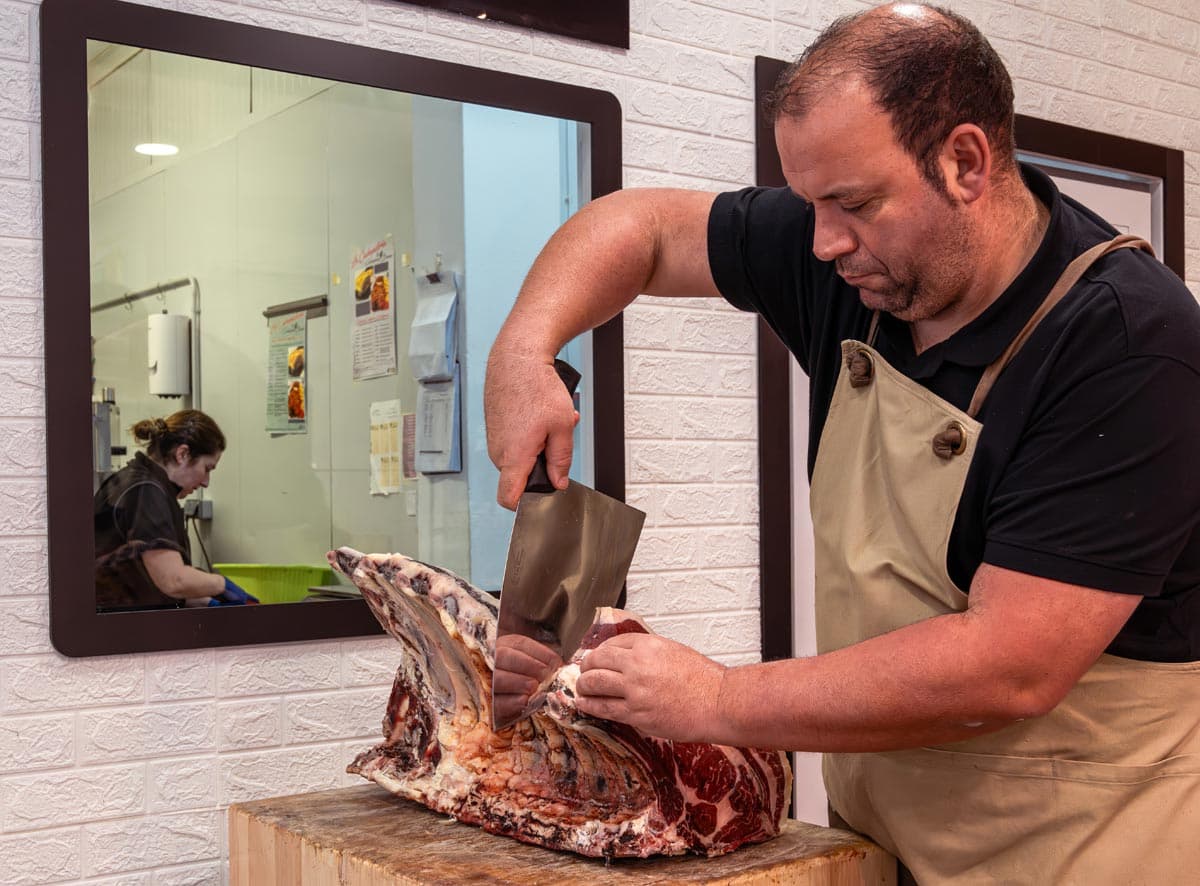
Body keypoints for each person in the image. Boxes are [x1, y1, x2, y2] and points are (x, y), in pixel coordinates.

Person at [483, 4, 1200, 883]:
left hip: (1084, 850)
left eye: (854, 203)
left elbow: (1010, 666)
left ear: (966, 162)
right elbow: (642, 227)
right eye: (811, 201)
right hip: (890, 837)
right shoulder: (850, 262)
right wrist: (523, 347)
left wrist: (714, 699)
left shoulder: (1131, 343)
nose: (823, 241)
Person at [94, 409, 258, 610]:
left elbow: (140, 576)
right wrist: (220, 584)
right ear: (182, 454)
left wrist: (200, 600)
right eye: (207, 468)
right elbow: (174, 580)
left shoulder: (132, 480)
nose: (206, 482)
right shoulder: (146, 490)